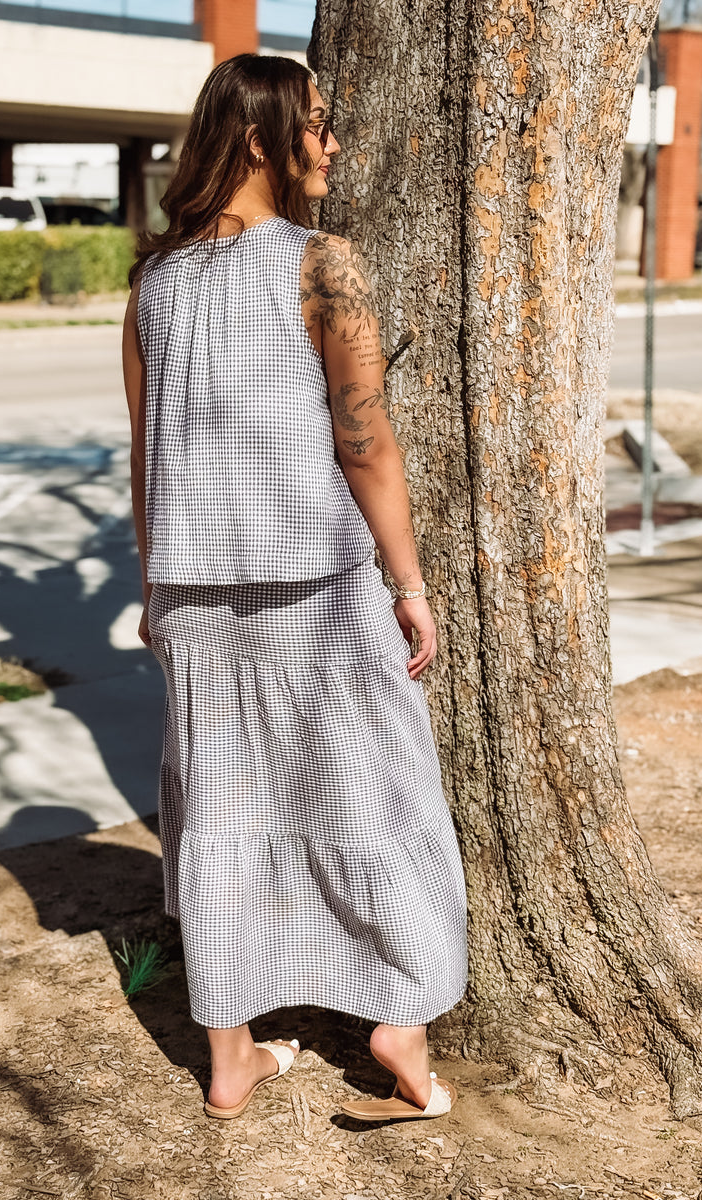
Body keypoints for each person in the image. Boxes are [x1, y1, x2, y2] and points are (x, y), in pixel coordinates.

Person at [122, 53, 467, 1123]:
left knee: (218, 814)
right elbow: (364, 444)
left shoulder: (154, 285)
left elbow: (146, 462)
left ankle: (230, 1056)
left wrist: (152, 591)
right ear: (265, 137)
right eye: (315, 125)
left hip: (192, 586)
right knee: (377, 788)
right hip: (316, 581)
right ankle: (399, 1017)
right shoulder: (326, 266)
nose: (330, 145)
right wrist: (408, 583)